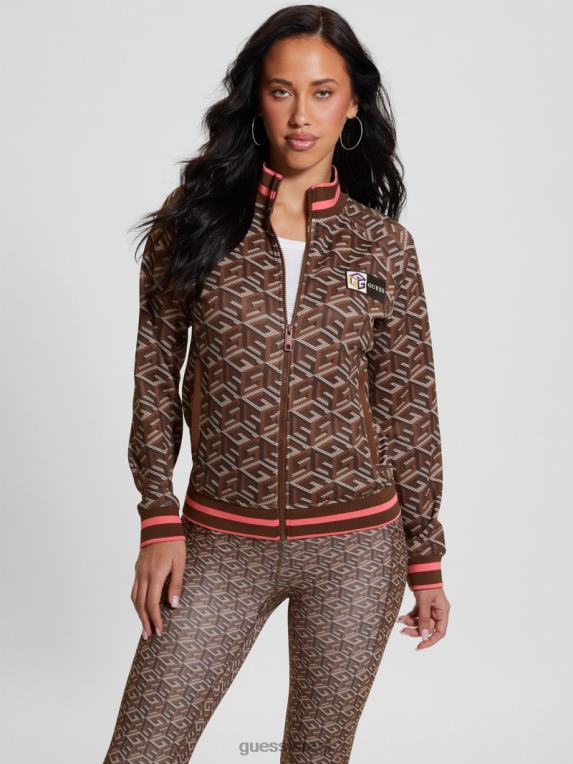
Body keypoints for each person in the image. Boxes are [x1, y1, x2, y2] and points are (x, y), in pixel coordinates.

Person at [103, 5, 451, 763]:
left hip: (359, 549)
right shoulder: (194, 224)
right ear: (254, 99)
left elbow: (407, 404)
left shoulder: (383, 247)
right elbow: (155, 370)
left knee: (315, 756)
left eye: (323, 93)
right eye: (281, 90)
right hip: (219, 542)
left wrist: (425, 555)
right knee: (142, 751)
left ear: (352, 104)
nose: (301, 115)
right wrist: (157, 514)